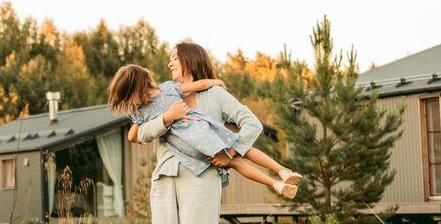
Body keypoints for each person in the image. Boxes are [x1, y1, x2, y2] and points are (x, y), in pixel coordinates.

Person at [127, 41, 265, 224]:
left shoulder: (214, 95)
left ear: (190, 60)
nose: (169, 64)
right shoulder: (159, 96)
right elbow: (139, 133)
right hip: (165, 176)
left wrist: (231, 153)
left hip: (201, 178)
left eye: (174, 58)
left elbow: (251, 124)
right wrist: (166, 118)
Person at [107, 64, 300, 198]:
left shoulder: (142, 113)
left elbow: (133, 136)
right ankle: (281, 174)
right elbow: (200, 85)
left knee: (235, 162)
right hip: (202, 130)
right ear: (146, 79)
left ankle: (277, 184)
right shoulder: (167, 89)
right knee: (242, 151)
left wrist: (138, 119)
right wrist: (216, 82)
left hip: (190, 148)